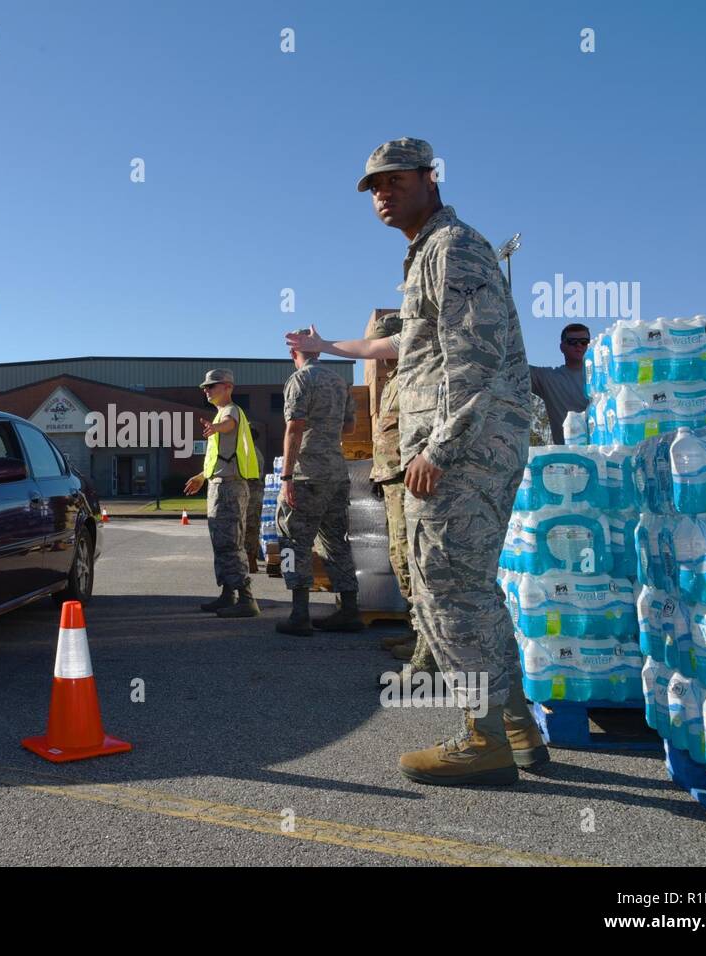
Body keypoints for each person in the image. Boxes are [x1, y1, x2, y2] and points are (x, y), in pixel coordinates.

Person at [286, 137, 548, 786]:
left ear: (430, 179)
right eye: (373, 186)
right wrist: (328, 344)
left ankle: (484, 739)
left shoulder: (452, 249)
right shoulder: (427, 256)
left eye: (394, 180)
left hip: (464, 453)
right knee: (468, 591)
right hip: (463, 450)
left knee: (451, 591)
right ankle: (516, 731)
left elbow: (477, 357)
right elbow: (396, 345)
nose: (381, 192)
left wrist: (439, 447)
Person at [274, 334, 364, 636]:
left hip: (307, 475)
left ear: (294, 353)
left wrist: (286, 476)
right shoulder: (339, 382)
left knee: (294, 542)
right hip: (336, 475)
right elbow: (349, 426)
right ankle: (349, 611)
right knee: (336, 542)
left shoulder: (300, 380)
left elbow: (294, 428)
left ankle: (299, 615)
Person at [368, 312, 437, 680]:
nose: (379, 353)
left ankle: (429, 646)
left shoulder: (414, 376)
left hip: (408, 478)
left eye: (384, 344)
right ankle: (417, 632)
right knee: (399, 555)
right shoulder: (394, 378)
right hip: (392, 477)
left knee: (412, 557)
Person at [184, 368, 261, 618]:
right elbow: (218, 457)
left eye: (212, 386)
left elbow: (229, 425)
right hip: (220, 484)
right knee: (221, 543)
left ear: (228, 386)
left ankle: (246, 599)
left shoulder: (230, 412)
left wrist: (217, 428)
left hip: (229, 487)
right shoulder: (220, 413)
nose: (206, 390)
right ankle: (229, 594)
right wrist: (201, 477)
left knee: (230, 542)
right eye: (205, 387)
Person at [530, 324, 591, 444]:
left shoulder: (606, 377)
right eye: (572, 341)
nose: (579, 345)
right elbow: (513, 366)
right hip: (567, 458)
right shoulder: (548, 379)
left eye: (584, 342)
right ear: (562, 347)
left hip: (604, 456)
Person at [244, 424, 267, 573]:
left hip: (250, 492)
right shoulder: (254, 450)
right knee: (252, 528)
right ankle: (250, 560)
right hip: (255, 493)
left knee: (248, 528)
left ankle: (250, 561)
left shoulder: (248, 451)